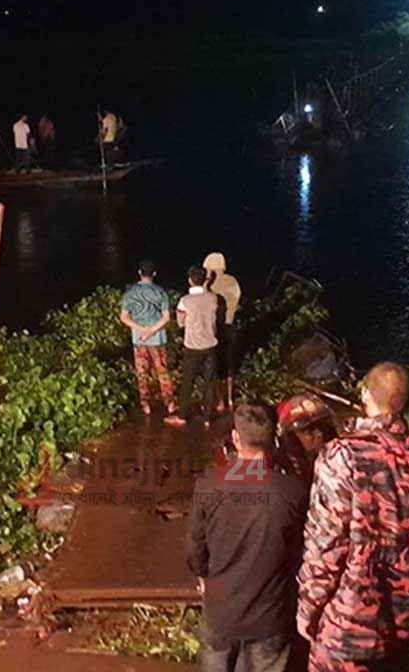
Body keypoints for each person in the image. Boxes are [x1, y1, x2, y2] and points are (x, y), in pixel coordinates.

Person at [297, 362, 409, 672]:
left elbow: (325, 544)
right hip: (402, 621)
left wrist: (307, 610)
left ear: (365, 394)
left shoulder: (342, 456)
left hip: (346, 627)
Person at [187, 404, 309, 672]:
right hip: (270, 614)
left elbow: (196, 544)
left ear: (235, 438)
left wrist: (202, 576)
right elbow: (300, 553)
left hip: (221, 609)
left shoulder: (210, 483)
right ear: (274, 441)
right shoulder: (292, 491)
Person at [119, 260, 177, 417]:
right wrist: (151, 330)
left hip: (139, 339)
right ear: (154, 274)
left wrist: (141, 329)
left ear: (139, 272)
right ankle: (169, 403)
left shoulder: (130, 293)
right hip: (157, 339)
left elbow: (124, 317)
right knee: (162, 371)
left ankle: (145, 404)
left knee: (142, 372)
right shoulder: (160, 292)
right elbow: (166, 318)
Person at [165, 266, 220, 428]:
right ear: (205, 280)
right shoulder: (213, 298)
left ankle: (182, 416)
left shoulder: (184, 301)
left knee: (187, 381)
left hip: (192, 346)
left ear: (190, 280)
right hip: (211, 345)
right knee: (209, 383)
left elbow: (181, 323)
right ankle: (207, 418)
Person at [203, 252, 242, 412]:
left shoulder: (211, 285)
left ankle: (220, 401)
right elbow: (237, 300)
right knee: (230, 364)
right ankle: (231, 398)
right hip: (231, 327)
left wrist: (206, 282)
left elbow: (204, 300)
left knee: (217, 365)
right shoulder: (232, 281)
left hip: (217, 328)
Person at [274, 393, 337, 484]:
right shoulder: (283, 473)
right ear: (292, 437)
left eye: (323, 426)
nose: (319, 434)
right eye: (309, 430)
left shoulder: (343, 461)